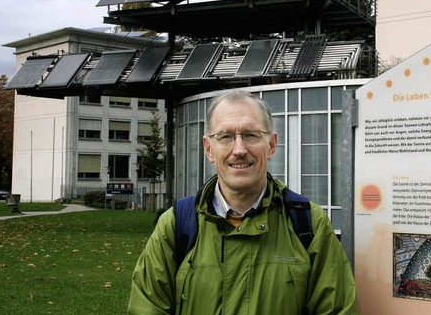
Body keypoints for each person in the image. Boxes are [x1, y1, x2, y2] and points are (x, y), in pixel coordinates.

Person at [128, 89, 359, 314]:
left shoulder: (309, 224)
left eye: (251, 135)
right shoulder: (176, 225)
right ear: (209, 149)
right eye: (226, 136)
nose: (239, 150)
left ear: (271, 145)